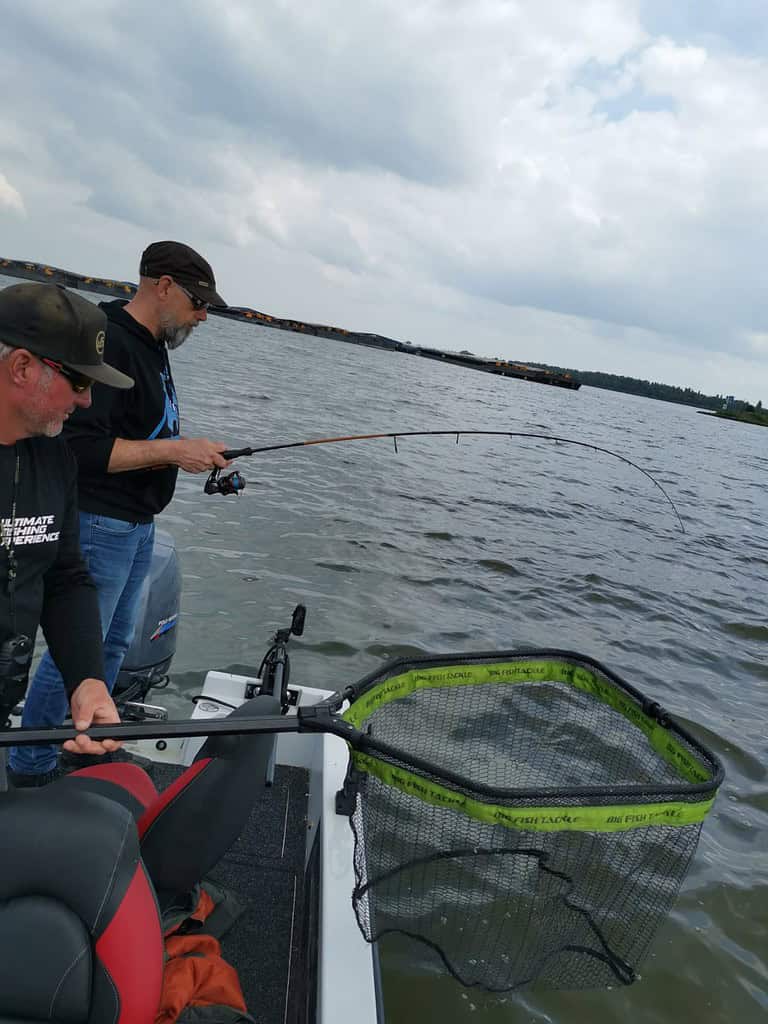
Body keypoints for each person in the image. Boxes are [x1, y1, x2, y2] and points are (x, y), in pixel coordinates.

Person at [9, 242, 232, 785]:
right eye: (198, 302)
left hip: (137, 524)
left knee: (106, 644)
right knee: (69, 653)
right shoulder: (108, 341)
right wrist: (174, 452)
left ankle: (86, 745)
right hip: (101, 520)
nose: (202, 315)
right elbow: (82, 449)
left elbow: (67, 585)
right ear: (162, 285)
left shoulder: (153, 347)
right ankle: (31, 764)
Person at [0, 282, 135, 783]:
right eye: (79, 382)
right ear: (21, 367)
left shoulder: (56, 457)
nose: (87, 401)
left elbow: (65, 575)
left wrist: (87, 679)